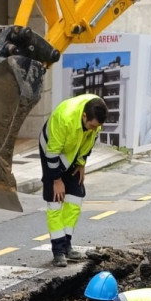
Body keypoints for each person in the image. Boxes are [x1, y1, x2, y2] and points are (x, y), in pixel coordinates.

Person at [40, 94, 108, 267]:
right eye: (92, 125)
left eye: (97, 127)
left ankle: (67, 244)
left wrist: (81, 163)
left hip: (73, 153)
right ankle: (58, 251)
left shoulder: (95, 117)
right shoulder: (64, 118)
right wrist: (56, 179)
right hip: (52, 152)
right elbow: (52, 152)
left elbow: (88, 142)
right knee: (56, 200)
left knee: (76, 197)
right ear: (84, 116)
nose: (94, 129)